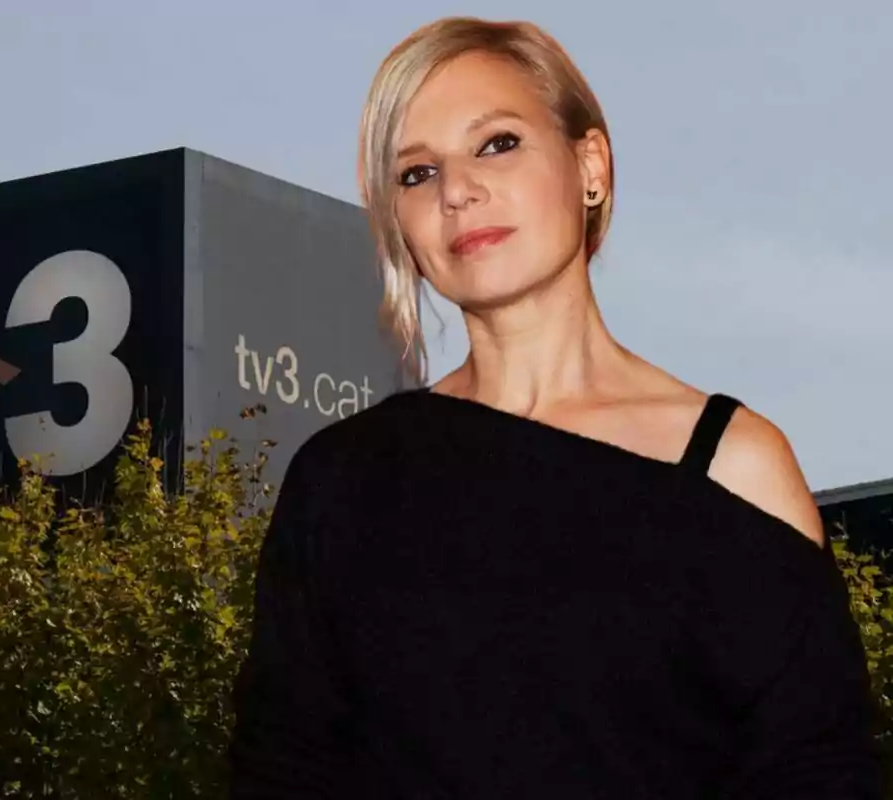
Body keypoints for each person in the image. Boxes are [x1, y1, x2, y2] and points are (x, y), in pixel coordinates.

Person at [227, 15, 883, 799]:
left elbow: (817, 774)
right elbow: (282, 770)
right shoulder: (340, 482)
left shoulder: (735, 467)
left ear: (590, 165)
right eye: (416, 174)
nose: (458, 190)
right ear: (398, 225)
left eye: (497, 143)